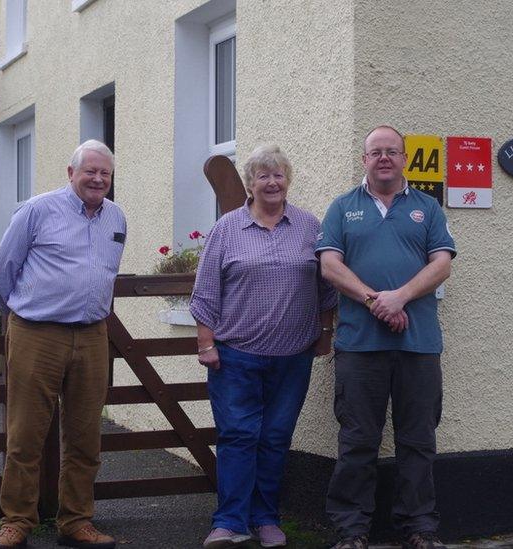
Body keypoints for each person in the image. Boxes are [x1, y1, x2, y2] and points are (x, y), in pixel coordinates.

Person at [315, 126, 456, 549]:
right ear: (364, 160)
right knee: (358, 440)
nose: (383, 158)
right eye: (375, 152)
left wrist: (401, 298)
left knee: (418, 440)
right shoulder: (342, 208)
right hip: (360, 346)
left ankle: (419, 528)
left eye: (391, 151)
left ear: (405, 158)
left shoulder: (428, 208)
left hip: (418, 347)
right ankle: (351, 530)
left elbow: (442, 263)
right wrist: (377, 300)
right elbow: (329, 266)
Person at [190, 144, 338, 549]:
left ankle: (266, 518)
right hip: (235, 354)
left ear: (287, 181)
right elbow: (205, 291)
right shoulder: (228, 228)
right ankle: (229, 521)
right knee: (238, 435)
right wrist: (206, 343)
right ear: (250, 184)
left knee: (275, 437)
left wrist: (324, 334)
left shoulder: (310, 226)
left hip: (294, 355)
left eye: (278, 175)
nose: (271, 182)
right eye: (262, 176)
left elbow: (326, 288)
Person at [0, 140, 125, 549]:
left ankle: (76, 522)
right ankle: (16, 523)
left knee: (86, 435)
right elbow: (2, 271)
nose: (98, 179)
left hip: (93, 335)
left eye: (105, 173)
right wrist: (20, 317)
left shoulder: (116, 217)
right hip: (36, 332)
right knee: (25, 435)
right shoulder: (37, 210)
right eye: (90, 171)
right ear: (71, 173)